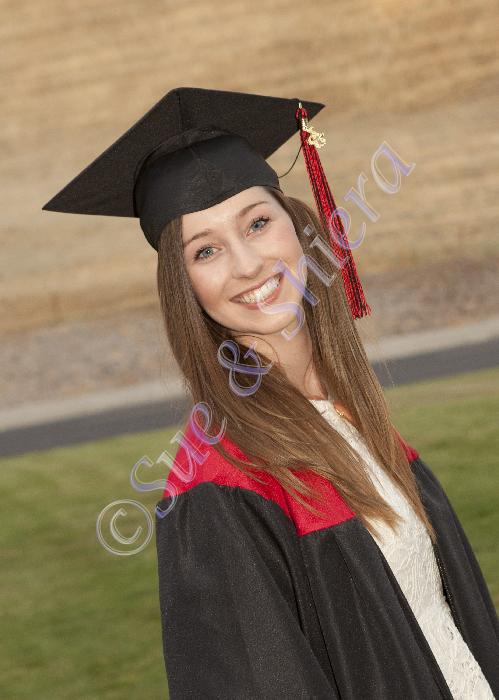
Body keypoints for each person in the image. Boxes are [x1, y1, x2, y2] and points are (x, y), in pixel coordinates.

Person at [42, 87, 498, 699]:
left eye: (257, 222)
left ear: (299, 227)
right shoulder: (220, 484)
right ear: (185, 286)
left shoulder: (350, 418)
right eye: (206, 250)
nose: (248, 264)